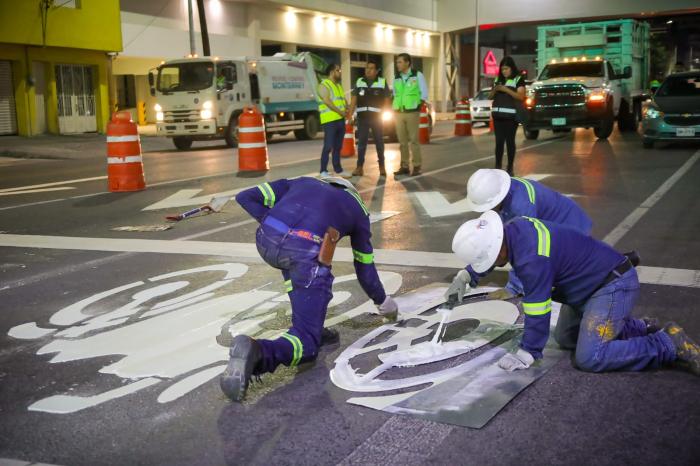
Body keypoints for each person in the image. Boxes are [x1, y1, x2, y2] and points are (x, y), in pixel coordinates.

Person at [449, 210, 700, 376]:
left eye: (489, 260)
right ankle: (641, 327)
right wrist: (467, 275)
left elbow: (537, 310)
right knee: (567, 338)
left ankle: (667, 343)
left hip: (611, 286)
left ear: (496, 246)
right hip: (588, 287)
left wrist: (527, 353)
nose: (492, 264)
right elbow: (491, 251)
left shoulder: (531, 258)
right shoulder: (514, 229)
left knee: (591, 357)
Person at [220, 176, 399, 401]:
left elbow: (245, 197)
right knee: (307, 345)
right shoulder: (357, 207)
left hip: (266, 240)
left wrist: (274, 224)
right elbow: (364, 268)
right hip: (303, 252)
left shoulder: (301, 182)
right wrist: (383, 302)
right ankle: (258, 351)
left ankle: (311, 322)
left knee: (297, 275)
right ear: (350, 190)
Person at [447, 168, 592, 300]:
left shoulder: (522, 206)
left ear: (498, 198)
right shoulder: (502, 195)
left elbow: (527, 249)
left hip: (570, 226)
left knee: (551, 274)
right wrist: (467, 275)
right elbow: (489, 242)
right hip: (552, 223)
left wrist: (514, 288)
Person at [347, 60, 391, 177]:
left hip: (377, 118)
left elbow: (387, 101)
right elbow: (354, 100)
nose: (368, 70)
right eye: (367, 68)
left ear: (376, 71)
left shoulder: (382, 82)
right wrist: (350, 116)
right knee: (361, 144)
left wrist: (386, 115)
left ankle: (382, 166)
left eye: (371, 68)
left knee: (379, 143)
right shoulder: (359, 81)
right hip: (362, 118)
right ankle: (359, 167)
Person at [488, 56, 526, 176]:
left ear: (512, 68)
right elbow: (490, 97)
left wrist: (505, 89)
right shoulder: (497, 79)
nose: (504, 71)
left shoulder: (518, 79)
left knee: (510, 141)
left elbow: (521, 96)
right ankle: (498, 166)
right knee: (499, 142)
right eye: (502, 69)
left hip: (511, 116)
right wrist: (495, 90)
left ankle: (510, 167)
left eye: (506, 69)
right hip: (498, 115)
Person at [393, 53, 429, 177]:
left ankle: (417, 166)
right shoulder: (397, 77)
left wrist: (418, 106)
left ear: (407, 62)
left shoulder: (417, 75)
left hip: (412, 112)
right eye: (397, 62)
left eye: (400, 62)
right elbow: (395, 93)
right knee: (402, 142)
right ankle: (404, 166)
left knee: (414, 140)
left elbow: (424, 93)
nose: (397, 64)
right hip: (398, 112)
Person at [317, 63, 351, 178]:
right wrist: (341, 112)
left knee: (338, 146)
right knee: (328, 146)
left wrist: (347, 107)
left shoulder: (338, 86)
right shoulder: (324, 85)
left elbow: (343, 100)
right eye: (338, 70)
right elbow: (327, 101)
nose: (340, 72)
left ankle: (338, 169)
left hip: (340, 120)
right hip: (330, 120)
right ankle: (323, 171)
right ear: (332, 72)